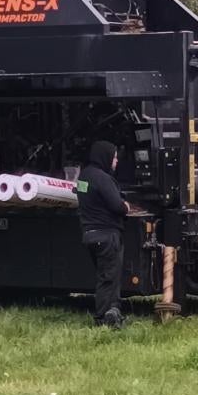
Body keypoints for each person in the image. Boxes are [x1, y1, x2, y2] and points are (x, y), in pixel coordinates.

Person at [76, 140, 130, 328]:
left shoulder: (84, 177)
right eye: (114, 158)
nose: (115, 162)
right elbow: (117, 205)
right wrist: (126, 206)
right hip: (107, 236)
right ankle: (105, 318)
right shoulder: (103, 179)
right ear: (105, 157)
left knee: (103, 276)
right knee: (110, 278)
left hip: (90, 234)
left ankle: (111, 313)